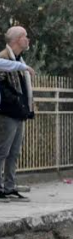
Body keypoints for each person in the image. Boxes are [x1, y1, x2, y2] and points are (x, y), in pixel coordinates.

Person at [0, 27, 35, 202]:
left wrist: (25, 107)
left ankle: (9, 187)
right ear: (16, 39)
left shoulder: (20, 59)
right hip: (7, 113)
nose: (27, 39)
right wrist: (16, 103)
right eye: (24, 36)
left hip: (19, 112)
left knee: (14, 153)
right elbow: (3, 87)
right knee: (2, 151)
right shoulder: (4, 58)